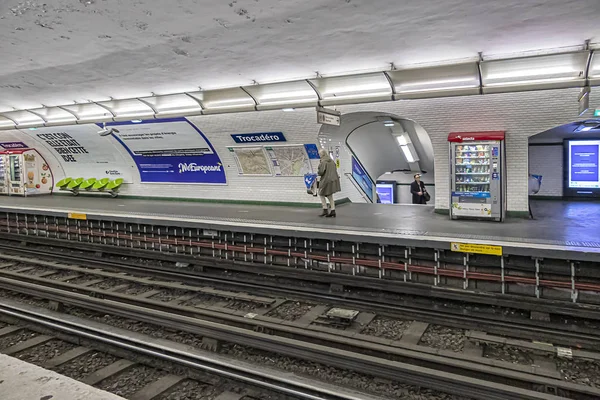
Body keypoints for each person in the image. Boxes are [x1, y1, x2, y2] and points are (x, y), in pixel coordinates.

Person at [317, 148, 341, 217]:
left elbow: (321, 172)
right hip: (332, 180)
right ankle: (333, 210)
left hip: (325, 180)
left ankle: (325, 210)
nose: (319, 155)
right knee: (330, 195)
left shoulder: (323, 162)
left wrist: (318, 172)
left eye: (320, 154)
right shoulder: (331, 161)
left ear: (322, 154)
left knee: (321, 194)